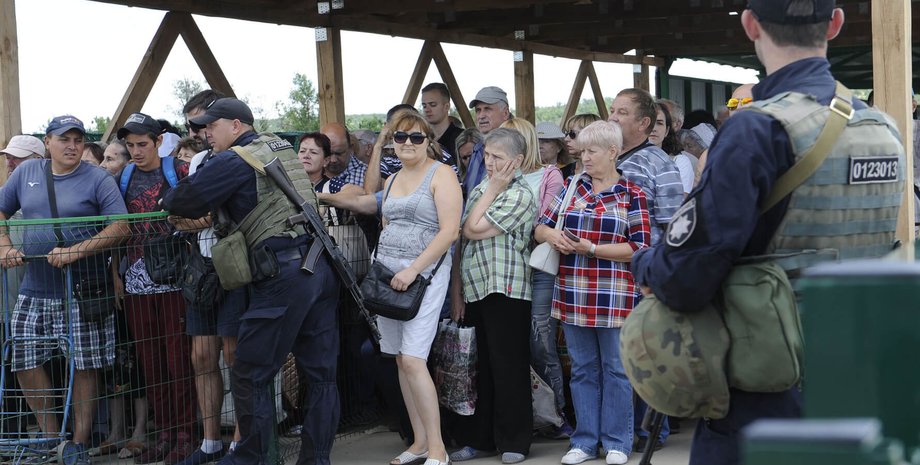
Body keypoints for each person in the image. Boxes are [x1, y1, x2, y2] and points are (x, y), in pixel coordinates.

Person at [632, 1, 904, 463]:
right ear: (835, 24)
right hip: (861, 381)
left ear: (750, 24)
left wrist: (645, 262)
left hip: (770, 391)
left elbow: (686, 275)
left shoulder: (756, 128)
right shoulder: (881, 128)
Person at [161, 97, 341, 465]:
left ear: (237, 126)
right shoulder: (279, 146)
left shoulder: (232, 159)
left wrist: (172, 196)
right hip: (318, 267)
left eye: (212, 126)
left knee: (250, 371)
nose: (205, 133)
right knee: (321, 376)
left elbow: (182, 200)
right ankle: (316, 459)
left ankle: (250, 459)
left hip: (283, 276)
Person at [0, 115, 129, 465]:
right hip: (34, 287)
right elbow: (0, 210)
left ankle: (79, 443)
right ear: (47, 141)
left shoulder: (98, 178)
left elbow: (121, 226)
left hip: (82, 289)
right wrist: (3, 245)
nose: (72, 146)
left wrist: (78, 250)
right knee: (24, 360)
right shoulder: (26, 174)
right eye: (64, 139)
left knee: (85, 365)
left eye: (77, 139)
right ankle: (49, 435)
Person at [534, 120, 650, 465]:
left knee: (616, 369)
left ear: (612, 151)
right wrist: (550, 236)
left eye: (591, 151)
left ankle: (617, 442)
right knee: (583, 369)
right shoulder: (571, 187)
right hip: (573, 293)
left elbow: (639, 246)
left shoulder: (632, 193)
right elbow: (540, 226)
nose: (583, 157)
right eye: (581, 150)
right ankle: (584, 442)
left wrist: (591, 248)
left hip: (616, 295)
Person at [375, 111, 462, 465]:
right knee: (399, 358)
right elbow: (385, 222)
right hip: (386, 276)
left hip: (423, 276)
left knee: (413, 358)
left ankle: (438, 449)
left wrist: (413, 268)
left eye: (415, 137)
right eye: (400, 137)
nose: (407, 143)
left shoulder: (442, 174)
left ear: (429, 141)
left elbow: (450, 231)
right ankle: (419, 441)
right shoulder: (391, 179)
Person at [449, 128, 536, 465]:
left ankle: (515, 439)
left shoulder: (521, 193)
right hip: (474, 287)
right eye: (487, 156)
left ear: (516, 161)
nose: (489, 163)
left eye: (498, 157)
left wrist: (496, 187)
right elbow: (462, 241)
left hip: (507, 288)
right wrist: (457, 291)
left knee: (508, 366)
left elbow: (472, 228)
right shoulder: (482, 188)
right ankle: (481, 438)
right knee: (480, 367)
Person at [115, 112, 197, 465]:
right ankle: (163, 433)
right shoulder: (124, 176)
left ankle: (186, 434)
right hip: (135, 279)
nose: (135, 151)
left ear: (159, 140)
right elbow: (117, 227)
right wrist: (115, 275)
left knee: (178, 358)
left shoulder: (177, 172)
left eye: (142, 144)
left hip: (173, 277)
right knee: (150, 361)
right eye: (130, 145)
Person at [172, 89, 244, 465]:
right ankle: (210, 441)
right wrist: (194, 217)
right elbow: (179, 211)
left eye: (203, 122)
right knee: (202, 355)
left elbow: (217, 213)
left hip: (232, 266)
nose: (198, 130)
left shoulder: (239, 157)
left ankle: (241, 441)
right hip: (201, 265)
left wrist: (193, 217)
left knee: (234, 353)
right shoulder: (198, 159)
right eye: (193, 124)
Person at [500, 118, 570, 437]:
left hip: (539, 268)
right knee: (517, 342)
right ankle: (532, 414)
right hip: (511, 267)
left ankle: (558, 414)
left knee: (540, 341)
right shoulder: (506, 176)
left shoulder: (551, 176)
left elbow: (539, 224)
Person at [608, 88, 683, 246]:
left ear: (643, 123)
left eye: (622, 112)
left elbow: (673, 227)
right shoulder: (598, 154)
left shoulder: (661, 164)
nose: (613, 118)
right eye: (612, 111)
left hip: (639, 263)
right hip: (594, 263)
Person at [462, 86, 512, 195]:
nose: (481, 116)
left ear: (505, 113)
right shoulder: (477, 149)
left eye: (487, 109)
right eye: (478, 110)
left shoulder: (516, 150)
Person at [650, 103, 694, 194]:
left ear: (666, 131)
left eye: (659, 123)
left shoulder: (679, 162)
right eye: (650, 122)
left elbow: (681, 201)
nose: (654, 128)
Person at [321, 122, 367, 193]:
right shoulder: (311, 171)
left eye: (339, 153)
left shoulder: (366, 175)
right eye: (328, 154)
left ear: (351, 149)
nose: (333, 160)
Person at [421, 82, 464, 159]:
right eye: (424, 106)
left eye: (432, 105)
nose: (427, 110)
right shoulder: (420, 138)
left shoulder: (461, 138)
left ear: (446, 106)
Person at [560, 114, 602, 179]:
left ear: (590, 136)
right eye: (566, 133)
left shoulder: (603, 173)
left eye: (572, 134)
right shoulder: (563, 172)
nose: (566, 139)